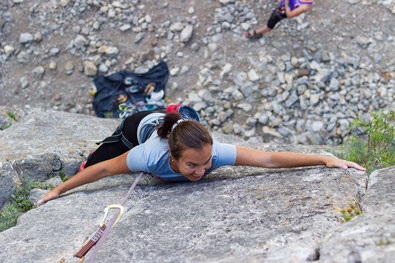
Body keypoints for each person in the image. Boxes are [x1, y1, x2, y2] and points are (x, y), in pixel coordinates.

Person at [37, 111, 365, 206]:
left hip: (177, 127)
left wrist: (324, 160)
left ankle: (182, 115)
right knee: (89, 163)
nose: (202, 170)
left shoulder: (214, 154)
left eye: (205, 163)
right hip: (138, 126)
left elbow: (268, 160)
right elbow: (104, 169)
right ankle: (173, 114)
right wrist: (59, 190)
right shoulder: (148, 157)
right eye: (192, 165)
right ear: (172, 157)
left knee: (185, 119)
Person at [243, 0, 314, 38]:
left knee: (270, 24)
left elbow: (289, 15)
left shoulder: (304, 6)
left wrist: (286, 3)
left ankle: (256, 33)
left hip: (283, 11)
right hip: (284, 3)